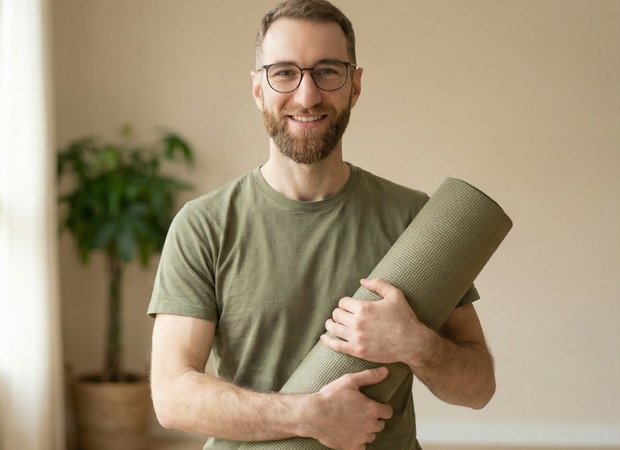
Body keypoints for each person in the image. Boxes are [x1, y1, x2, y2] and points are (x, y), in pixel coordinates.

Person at [147, 1, 496, 449]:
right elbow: (172, 396)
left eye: (328, 71)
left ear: (355, 86)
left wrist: (414, 344)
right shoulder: (205, 225)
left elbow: (478, 388)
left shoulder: (414, 221)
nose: (307, 95)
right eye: (285, 73)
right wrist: (310, 416)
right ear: (258, 89)